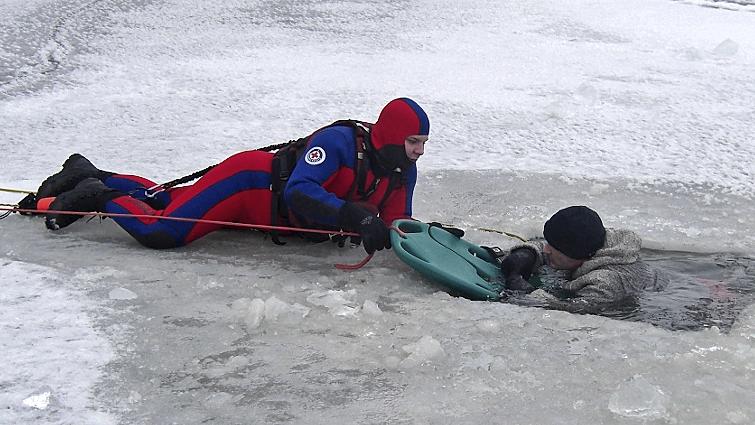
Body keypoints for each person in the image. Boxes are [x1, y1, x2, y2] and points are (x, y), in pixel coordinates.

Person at [33, 98, 430, 254]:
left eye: (422, 143)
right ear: (393, 136)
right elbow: (300, 193)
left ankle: (92, 173)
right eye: (414, 141)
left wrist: (432, 239)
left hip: (264, 215)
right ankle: (97, 194)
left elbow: (397, 221)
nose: (419, 151)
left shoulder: (401, 172)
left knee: (167, 200)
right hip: (246, 185)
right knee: (164, 231)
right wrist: (355, 216)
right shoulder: (339, 144)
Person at [499, 205, 661, 313]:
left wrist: (529, 295)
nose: (546, 249)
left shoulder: (606, 282)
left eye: (553, 248)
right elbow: (549, 247)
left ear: (577, 254)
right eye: (548, 243)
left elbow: (575, 311)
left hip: (653, 297)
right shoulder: (592, 241)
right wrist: (526, 254)